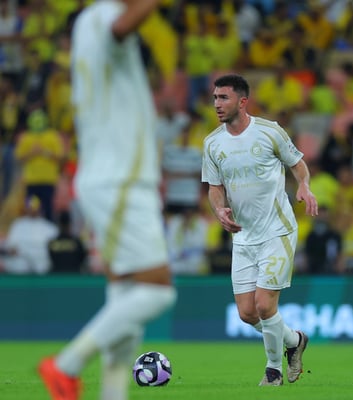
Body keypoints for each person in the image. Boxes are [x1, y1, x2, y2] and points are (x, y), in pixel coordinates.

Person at [38, 2, 177, 400]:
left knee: (126, 295)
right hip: (121, 178)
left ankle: (112, 394)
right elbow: (121, 27)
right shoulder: (104, 17)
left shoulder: (89, 23)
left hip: (111, 176)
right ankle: (66, 365)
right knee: (158, 291)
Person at [202, 74, 318, 386]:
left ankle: (273, 371)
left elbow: (297, 164)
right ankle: (294, 341)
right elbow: (214, 188)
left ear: (242, 101)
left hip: (277, 230)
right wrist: (219, 209)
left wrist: (304, 186)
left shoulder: (270, 132)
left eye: (223, 98)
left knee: (265, 305)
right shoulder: (212, 143)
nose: (217, 104)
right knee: (247, 313)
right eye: (215, 98)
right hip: (243, 236)